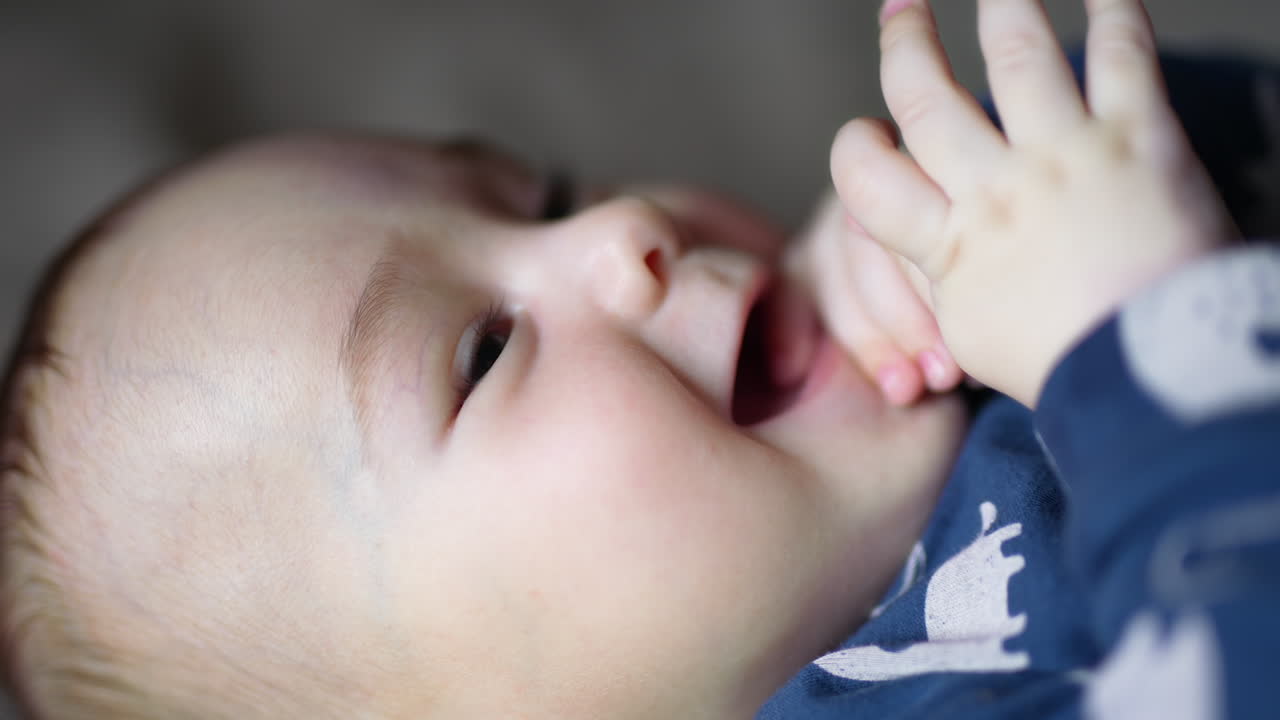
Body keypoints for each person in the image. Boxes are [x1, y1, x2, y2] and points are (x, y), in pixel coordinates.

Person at [0, 2, 1274, 720]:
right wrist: (1133, 334)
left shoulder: (951, 342)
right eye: (482, 352)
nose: (619, 233)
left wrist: (990, 197)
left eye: (543, 193)